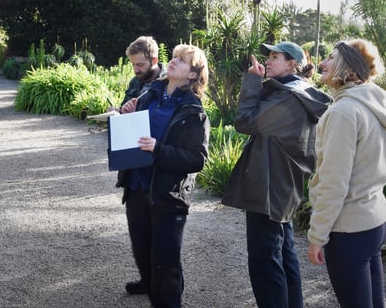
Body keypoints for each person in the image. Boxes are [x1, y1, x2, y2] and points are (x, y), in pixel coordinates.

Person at [222, 41, 332, 308]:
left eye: (275, 57)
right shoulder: (299, 93)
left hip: (268, 188)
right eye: (268, 56)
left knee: (265, 263)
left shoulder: (287, 98)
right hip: (283, 186)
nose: (268, 61)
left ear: (292, 63)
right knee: (283, 256)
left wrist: (251, 83)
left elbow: (245, 122)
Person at [306, 39, 386, 308]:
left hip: (349, 229)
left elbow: (333, 182)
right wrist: (370, 179)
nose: (322, 63)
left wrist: (317, 237)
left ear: (347, 66)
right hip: (376, 222)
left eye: (330, 57)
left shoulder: (343, 111)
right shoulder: (376, 101)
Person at [116, 43, 210, 308]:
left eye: (182, 60)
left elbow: (196, 159)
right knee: (144, 257)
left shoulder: (194, 111)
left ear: (193, 75)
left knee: (165, 263)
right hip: (136, 186)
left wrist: (159, 149)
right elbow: (133, 135)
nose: (174, 61)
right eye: (175, 57)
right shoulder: (149, 95)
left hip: (168, 195)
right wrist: (127, 116)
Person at [116, 36, 165, 110]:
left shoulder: (168, 82)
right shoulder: (135, 81)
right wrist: (118, 112)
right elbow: (125, 109)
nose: (135, 70)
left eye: (140, 65)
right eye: (133, 64)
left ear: (154, 61)